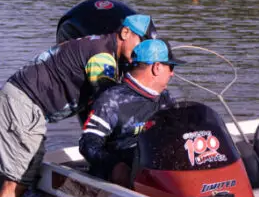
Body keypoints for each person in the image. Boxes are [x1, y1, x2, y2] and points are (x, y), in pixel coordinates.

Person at [0, 14, 158, 197]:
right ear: (125, 33)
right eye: (142, 42)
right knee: (18, 179)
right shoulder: (102, 57)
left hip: (22, 100)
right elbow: (109, 102)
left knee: (22, 170)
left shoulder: (102, 47)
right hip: (24, 103)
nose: (142, 49)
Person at [79, 39, 184, 187]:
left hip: (158, 171)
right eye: (171, 67)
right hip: (124, 182)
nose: (172, 74)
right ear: (157, 67)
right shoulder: (111, 100)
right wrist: (114, 166)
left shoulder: (165, 97)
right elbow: (88, 144)